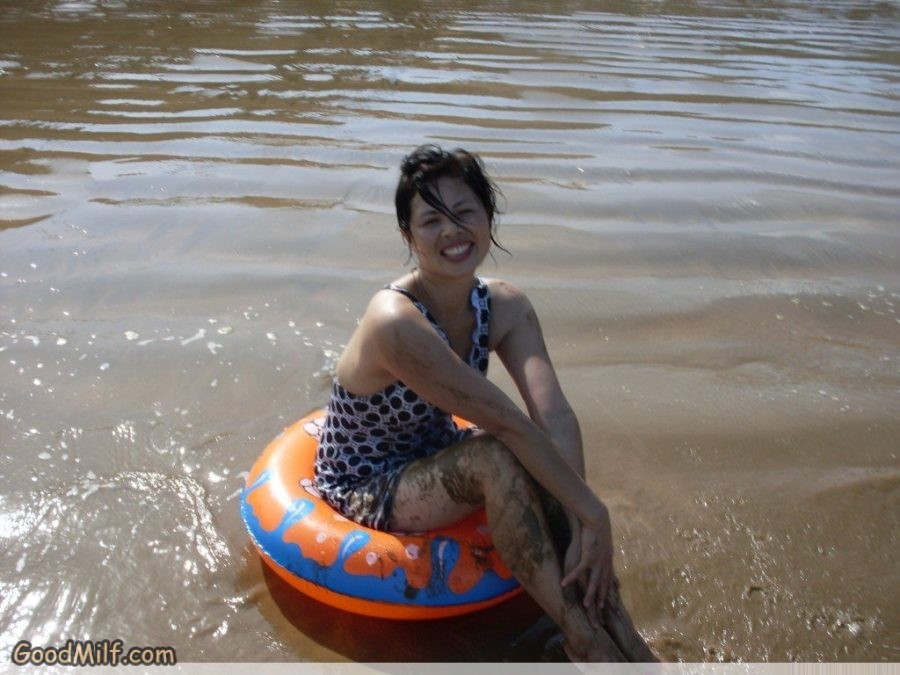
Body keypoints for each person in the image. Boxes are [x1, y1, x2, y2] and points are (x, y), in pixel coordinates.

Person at [314, 145, 657, 662]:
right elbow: (505, 422)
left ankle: (628, 640)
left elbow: (554, 416)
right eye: (431, 220)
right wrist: (594, 512)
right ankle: (586, 643)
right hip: (367, 480)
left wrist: (579, 522)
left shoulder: (504, 305)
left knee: (546, 463)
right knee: (500, 454)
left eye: (464, 212)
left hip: (434, 450)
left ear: (488, 217)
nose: (452, 231)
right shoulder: (395, 321)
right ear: (408, 236)